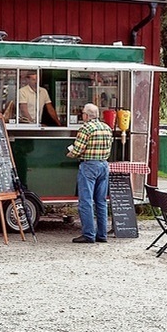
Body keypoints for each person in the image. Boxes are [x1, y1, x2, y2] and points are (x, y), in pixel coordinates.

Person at [66, 102, 113, 243]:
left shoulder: (86, 128)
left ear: (86, 115)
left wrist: (70, 153)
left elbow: (77, 150)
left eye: (83, 114)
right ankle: (102, 234)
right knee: (101, 201)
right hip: (104, 165)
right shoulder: (106, 128)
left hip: (89, 166)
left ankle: (88, 234)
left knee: (86, 201)